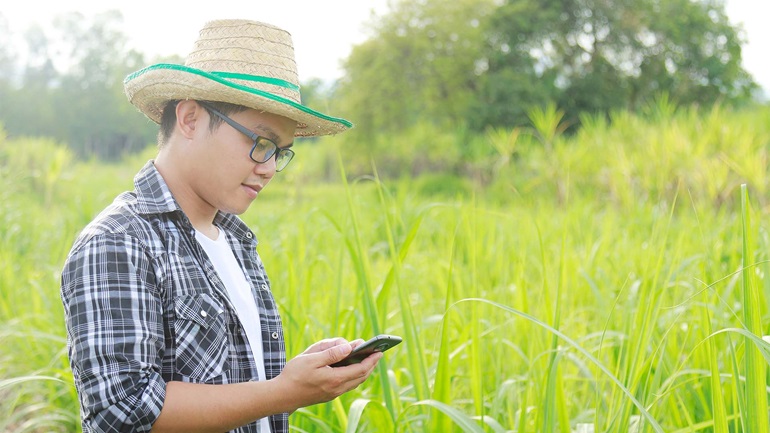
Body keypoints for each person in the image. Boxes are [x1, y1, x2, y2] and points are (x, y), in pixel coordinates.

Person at [60, 19, 381, 433]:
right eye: (260, 142)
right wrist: (285, 391)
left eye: (280, 152)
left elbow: (236, 390)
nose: (268, 169)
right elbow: (123, 411)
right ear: (191, 119)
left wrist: (297, 378)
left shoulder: (234, 239)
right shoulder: (118, 242)